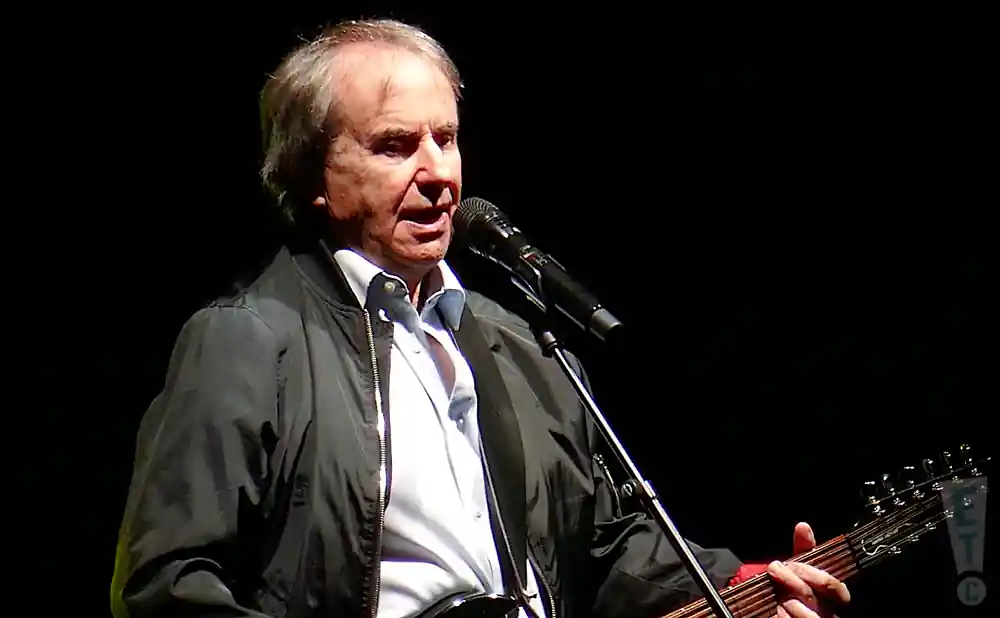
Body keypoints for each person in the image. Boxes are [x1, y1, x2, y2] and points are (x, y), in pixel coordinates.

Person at [110, 18, 851, 618]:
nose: (438, 172)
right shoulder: (246, 339)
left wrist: (745, 584)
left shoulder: (518, 343)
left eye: (447, 137)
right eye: (396, 145)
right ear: (312, 178)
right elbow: (167, 585)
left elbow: (600, 548)